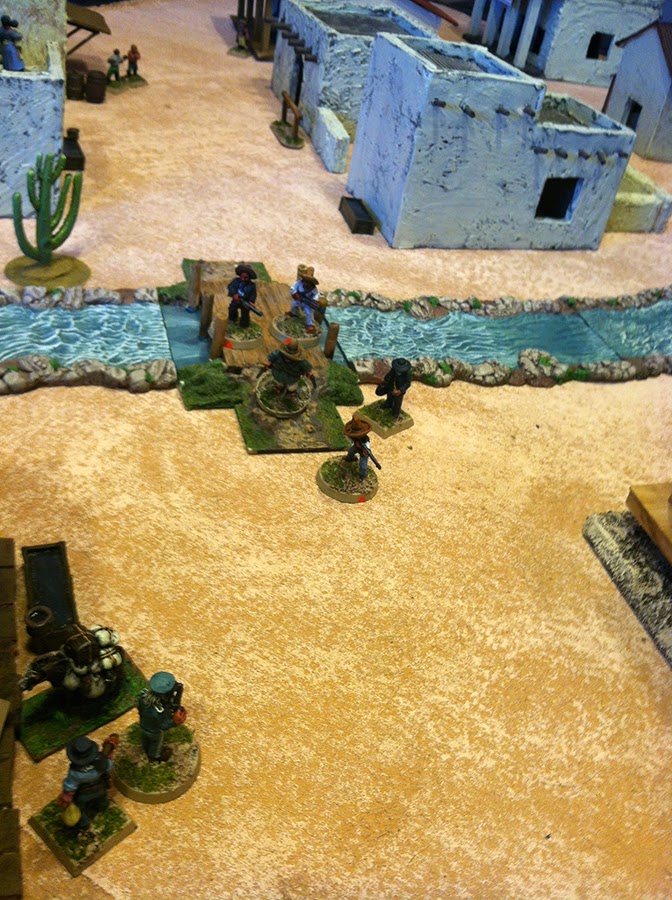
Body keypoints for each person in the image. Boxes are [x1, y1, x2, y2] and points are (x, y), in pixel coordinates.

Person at [58, 734, 118, 830]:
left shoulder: (75, 773)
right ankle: (103, 807)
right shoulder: (101, 762)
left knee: (80, 807)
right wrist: (107, 756)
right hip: (100, 788)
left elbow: (70, 786)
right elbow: (109, 768)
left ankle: (84, 822)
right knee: (102, 799)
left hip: (84, 794)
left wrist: (67, 797)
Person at [137, 671, 187, 762]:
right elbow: (162, 726)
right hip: (154, 731)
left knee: (145, 739)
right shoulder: (158, 711)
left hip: (143, 725)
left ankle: (145, 748)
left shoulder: (143, 698)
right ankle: (154, 757)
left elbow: (140, 709)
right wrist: (173, 722)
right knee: (156, 743)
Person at [343, 414, 377, 480]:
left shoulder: (366, 439)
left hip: (363, 452)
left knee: (363, 466)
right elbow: (350, 439)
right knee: (350, 452)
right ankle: (350, 458)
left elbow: (367, 446)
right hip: (356, 447)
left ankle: (363, 475)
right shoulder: (353, 436)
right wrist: (355, 443)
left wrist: (364, 450)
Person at [227, 264, 258, 328]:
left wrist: (251, 301)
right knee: (232, 309)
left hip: (245, 301)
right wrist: (234, 294)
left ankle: (244, 325)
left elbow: (253, 294)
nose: (243, 279)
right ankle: (232, 320)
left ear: (249, 277)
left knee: (245, 313)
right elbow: (230, 287)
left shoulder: (252, 286)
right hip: (237, 300)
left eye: (246, 278)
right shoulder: (236, 281)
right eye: (242, 277)